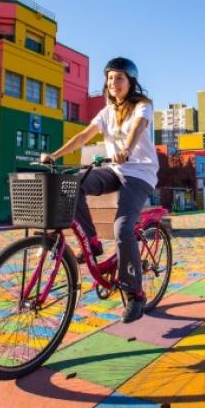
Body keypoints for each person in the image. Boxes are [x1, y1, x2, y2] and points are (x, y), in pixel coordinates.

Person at [40, 57, 158, 323]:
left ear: (130, 82)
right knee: (71, 185)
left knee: (122, 228)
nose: (112, 83)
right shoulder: (106, 113)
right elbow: (83, 136)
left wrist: (126, 149)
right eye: (109, 78)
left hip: (140, 173)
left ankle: (135, 293)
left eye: (119, 78)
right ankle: (92, 243)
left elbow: (138, 128)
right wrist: (55, 155)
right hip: (115, 170)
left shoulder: (142, 106)